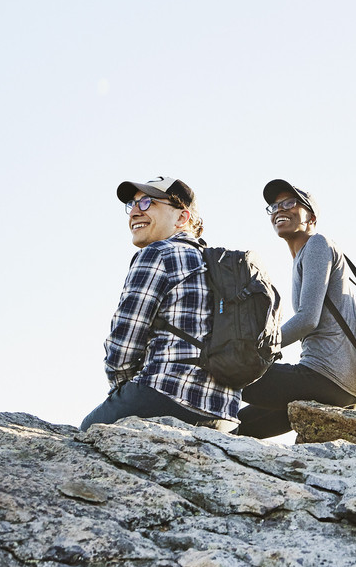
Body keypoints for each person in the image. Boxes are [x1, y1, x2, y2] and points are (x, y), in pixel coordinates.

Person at [79, 175, 242, 432]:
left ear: (181, 218)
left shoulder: (159, 253)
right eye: (132, 204)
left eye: (147, 203)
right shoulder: (223, 267)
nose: (134, 212)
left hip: (165, 396)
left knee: (88, 431)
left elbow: (123, 344)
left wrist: (122, 391)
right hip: (224, 415)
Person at [232, 178, 356, 438]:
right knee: (237, 426)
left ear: (311, 218)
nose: (280, 209)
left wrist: (257, 348)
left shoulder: (317, 244)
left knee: (228, 368)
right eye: (275, 206)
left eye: (290, 203)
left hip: (326, 376)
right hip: (341, 387)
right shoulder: (303, 255)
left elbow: (307, 320)